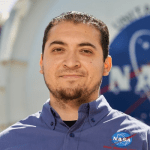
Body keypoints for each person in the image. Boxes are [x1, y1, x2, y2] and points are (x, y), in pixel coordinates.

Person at [0, 11, 150, 150]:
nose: (71, 63)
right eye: (58, 50)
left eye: (85, 51)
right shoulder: (7, 143)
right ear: (42, 63)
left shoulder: (142, 141)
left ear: (106, 65)